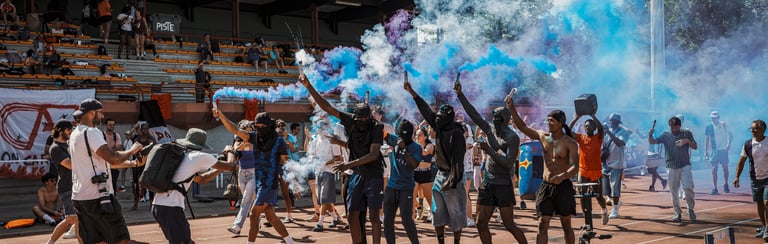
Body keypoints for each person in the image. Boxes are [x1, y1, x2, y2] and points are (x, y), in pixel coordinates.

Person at [300, 74, 385, 244]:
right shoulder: (350, 120)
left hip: (373, 174)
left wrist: (348, 164)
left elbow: (374, 154)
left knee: (374, 216)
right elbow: (327, 107)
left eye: (364, 118)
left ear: (369, 118)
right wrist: (309, 86)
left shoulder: (377, 127)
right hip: (357, 175)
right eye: (358, 118)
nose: (360, 120)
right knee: (352, 213)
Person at [455, 82, 526, 243]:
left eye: (498, 119)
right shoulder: (489, 129)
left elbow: (508, 163)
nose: (494, 121)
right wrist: (460, 95)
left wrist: (489, 150)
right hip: (488, 183)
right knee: (481, 223)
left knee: (509, 224)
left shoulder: (512, 138)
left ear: (506, 120)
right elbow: (473, 114)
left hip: (503, 184)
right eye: (493, 118)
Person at [214, 109, 296, 244]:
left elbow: (285, 162)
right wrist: (222, 116)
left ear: (269, 126)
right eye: (256, 126)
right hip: (259, 181)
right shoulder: (254, 136)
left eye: (261, 127)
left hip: (269, 183)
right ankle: (290, 242)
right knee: (271, 216)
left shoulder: (279, 141)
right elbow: (235, 130)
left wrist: (293, 181)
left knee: (254, 214)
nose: (259, 129)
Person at [68, 98, 145, 244]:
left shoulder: (75, 133)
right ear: (92, 113)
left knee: (97, 241)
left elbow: (102, 163)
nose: (102, 116)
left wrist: (133, 163)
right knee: (121, 240)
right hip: (98, 196)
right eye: (100, 113)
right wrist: (132, 150)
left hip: (81, 196)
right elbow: (113, 158)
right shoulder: (92, 132)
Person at [505, 93, 578, 244]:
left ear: (560, 123)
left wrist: (562, 176)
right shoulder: (543, 137)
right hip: (545, 187)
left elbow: (575, 167)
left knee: (566, 224)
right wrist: (512, 108)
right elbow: (522, 127)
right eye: (547, 121)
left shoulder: (570, 143)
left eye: (551, 121)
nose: (548, 123)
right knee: (542, 224)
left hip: (563, 187)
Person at [404, 74, 467, 244]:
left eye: (441, 116)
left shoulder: (456, 134)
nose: (437, 118)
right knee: (437, 212)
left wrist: (452, 181)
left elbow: (458, 162)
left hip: (453, 176)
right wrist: (412, 92)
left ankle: (456, 242)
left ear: (449, 118)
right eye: (437, 115)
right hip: (439, 175)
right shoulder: (439, 127)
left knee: (455, 215)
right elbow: (425, 109)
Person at [151, 128, 235, 244]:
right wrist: (230, 151)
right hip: (171, 209)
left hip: (159, 206)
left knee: (187, 241)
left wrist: (219, 169)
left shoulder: (182, 156)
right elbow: (230, 166)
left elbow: (201, 179)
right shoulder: (198, 156)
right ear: (200, 146)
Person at [649, 116, 698, 222]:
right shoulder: (665, 135)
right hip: (671, 166)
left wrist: (687, 141)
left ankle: (690, 209)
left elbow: (695, 146)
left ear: (680, 126)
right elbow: (652, 141)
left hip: (685, 165)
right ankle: (677, 212)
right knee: (673, 191)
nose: (674, 130)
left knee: (688, 187)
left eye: (676, 127)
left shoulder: (686, 133)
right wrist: (650, 134)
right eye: (672, 127)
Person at [383, 120, 421, 244]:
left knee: (406, 219)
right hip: (391, 186)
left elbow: (413, 165)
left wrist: (404, 150)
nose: (401, 137)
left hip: (406, 188)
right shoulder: (394, 140)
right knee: (387, 220)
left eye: (405, 134)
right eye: (400, 134)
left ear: (411, 134)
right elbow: (382, 133)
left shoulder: (416, 148)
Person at [568, 113, 609, 225]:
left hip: (596, 171)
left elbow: (601, 128)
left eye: (590, 125)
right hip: (583, 171)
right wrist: (576, 117)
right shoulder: (581, 138)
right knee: (582, 196)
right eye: (586, 126)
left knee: (598, 195)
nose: (587, 127)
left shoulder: (598, 137)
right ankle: (587, 219)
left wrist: (593, 116)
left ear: (594, 128)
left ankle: (604, 210)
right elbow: (568, 131)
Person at [733, 120, 768, 240]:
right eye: (751, 128)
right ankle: (764, 226)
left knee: (767, 202)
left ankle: (767, 229)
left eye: (756, 128)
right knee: (759, 203)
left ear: (763, 129)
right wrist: (737, 176)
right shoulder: (748, 144)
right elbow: (741, 161)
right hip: (755, 178)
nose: (753, 131)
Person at [309, 117, 344, 232]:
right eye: (319, 127)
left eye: (322, 127)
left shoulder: (331, 140)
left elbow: (338, 157)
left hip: (329, 171)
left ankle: (320, 223)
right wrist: (314, 159)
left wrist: (326, 163)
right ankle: (335, 218)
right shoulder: (315, 140)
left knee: (324, 197)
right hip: (318, 171)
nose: (320, 129)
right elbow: (311, 154)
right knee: (323, 197)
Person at [47, 119, 79, 243]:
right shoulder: (55, 148)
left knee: (78, 220)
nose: (70, 132)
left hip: (77, 185)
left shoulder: (69, 145)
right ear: (60, 131)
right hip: (67, 186)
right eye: (68, 129)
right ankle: (50, 242)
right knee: (72, 219)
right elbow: (70, 165)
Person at [225, 120, 257, 235]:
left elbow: (244, 147)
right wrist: (245, 141)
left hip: (254, 173)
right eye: (246, 130)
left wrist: (246, 141)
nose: (248, 132)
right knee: (250, 200)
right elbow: (237, 149)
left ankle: (237, 226)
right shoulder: (238, 141)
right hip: (242, 174)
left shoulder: (256, 141)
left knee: (246, 200)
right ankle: (258, 219)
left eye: (249, 130)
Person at [602, 113, 630, 219]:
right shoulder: (606, 132)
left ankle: (615, 210)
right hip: (605, 162)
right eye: (610, 120)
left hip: (616, 163)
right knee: (605, 189)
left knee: (615, 188)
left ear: (617, 122)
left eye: (613, 121)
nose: (611, 122)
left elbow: (619, 143)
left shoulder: (624, 132)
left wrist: (608, 132)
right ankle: (616, 202)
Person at [705, 111, 733, 195]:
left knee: (725, 167)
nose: (713, 119)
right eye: (712, 118)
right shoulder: (709, 126)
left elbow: (731, 135)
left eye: (715, 118)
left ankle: (726, 184)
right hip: (714, 151)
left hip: (724, 150)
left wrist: (728, 144)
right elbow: (706, 139)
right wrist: (706, 151)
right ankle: (715, 188)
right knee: (714, 169)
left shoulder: (724, 125)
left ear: (718, 118)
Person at [130, 122, 156, 210]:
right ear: (140, 130)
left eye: (147, 129)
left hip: (148, 165)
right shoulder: (137, 139)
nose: (145, 130)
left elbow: (152, 146)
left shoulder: (151, 139)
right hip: (138, 165)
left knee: (149, 184)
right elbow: (130, 137)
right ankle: (135, 204)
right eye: (143, 129)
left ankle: (151, 203)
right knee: (137, 184)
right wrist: (134, 127)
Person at [413, 127, 434, 222]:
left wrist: (416, 145)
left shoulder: (429, 146)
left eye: (420, 135)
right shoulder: (414, 145)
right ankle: (419, 208)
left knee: (428, 195)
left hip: (426, 173)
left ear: (425, 136)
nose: (417, 137)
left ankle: (432, 211)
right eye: (416, 135)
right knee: (412, 195)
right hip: (415, 172)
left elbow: (424, 153)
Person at [103, 118, 124, 193]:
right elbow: (101, 149)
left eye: (113, 125)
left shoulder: (116, 135)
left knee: (113, 183)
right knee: (104, 185)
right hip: (103, 164)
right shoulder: (102, 135)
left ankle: (113, 200)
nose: (112, 126)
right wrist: (112, 149)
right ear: (106, 125)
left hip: (113, 164)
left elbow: (118, 148)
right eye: (110, 125)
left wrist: (107, 150)